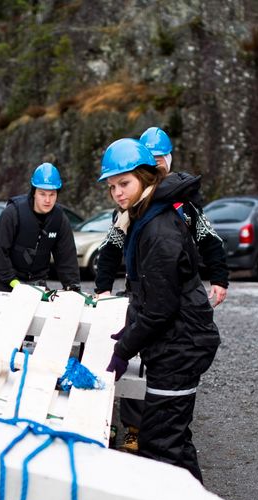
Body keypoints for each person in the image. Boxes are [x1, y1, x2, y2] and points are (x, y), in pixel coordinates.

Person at [96, 127, 229, 453]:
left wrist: (220, 277)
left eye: (124, 184)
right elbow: (110, 250)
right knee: (164, 439)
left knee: (165, 444)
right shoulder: (133, 215)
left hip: (179, 340)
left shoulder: (170, 216)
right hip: (162, 323)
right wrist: (103, 290)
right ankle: (134, 430)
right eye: (113, 186)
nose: (118, 193)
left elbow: (209, 242)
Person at [0, 162, 82, 292]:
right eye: (42, 194)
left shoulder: (60, 219)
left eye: (52, 194)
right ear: (34, 192)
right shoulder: (13, 212)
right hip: (6, 282)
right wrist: (13, 282)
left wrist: (72, 286)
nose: (48, 200)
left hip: (37, 282)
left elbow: (67, 256)